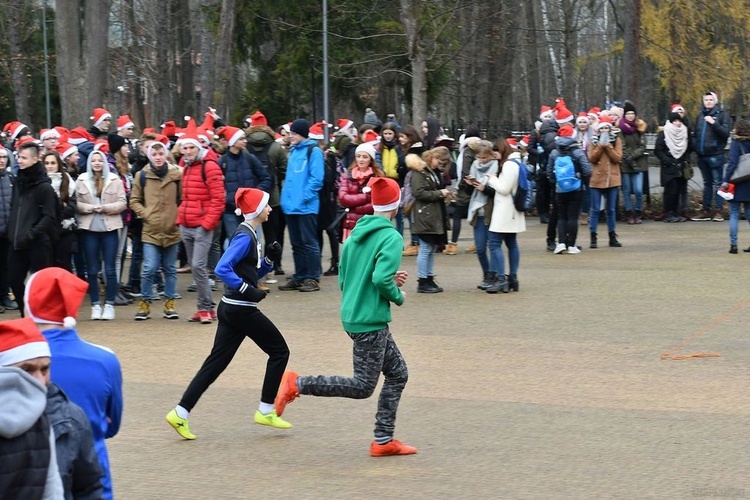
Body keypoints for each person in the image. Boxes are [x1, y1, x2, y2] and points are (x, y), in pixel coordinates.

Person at [274, 177, 416, 457]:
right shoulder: (392, 237)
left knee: (398, 374)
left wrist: (387, 280)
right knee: (363, 386)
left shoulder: (354, 235)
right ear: (396, 205)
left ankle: (383, 440)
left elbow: (345, 279)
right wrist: (396, 295)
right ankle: (298, 383)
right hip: (370, 320)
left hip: (354, 313)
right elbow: (378, 278)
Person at [166, 188, 291, 439]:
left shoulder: (250, 234)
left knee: (215, 364)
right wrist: (247, 289)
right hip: (241, 310)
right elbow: (223, 268)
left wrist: (268, 262)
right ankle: (266, 409)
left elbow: (247, 273)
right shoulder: (245, 236)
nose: (269, 209)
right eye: (266, 205)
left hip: (230, 308)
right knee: (280, 351)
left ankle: (180, 413)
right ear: (256, 210)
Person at [25, 266, 123, 500]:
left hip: (29, 478)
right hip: (93, 479)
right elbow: (111, 425)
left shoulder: (14, 358)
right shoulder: (105, 360)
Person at [0, 318, 64, 500]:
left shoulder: (42, 420)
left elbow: (52, 490)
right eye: (26, 370)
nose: (40, 381)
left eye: (45, 369)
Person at [176, 125, 225, 324]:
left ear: (199, 148)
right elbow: (186, 197)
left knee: (198, 265)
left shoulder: (210, 166)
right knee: (196, 268)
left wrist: (207, 224)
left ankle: (206, 308)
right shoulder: (187, 167)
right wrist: (181, 218)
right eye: (184, 148)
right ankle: (205, 308)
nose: (187, 151)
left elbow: (218, 199)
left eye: (191, 148)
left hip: (202, 225)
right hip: (187, 224)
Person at [130, 141, 183, 320]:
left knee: (170, 269)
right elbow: (134, 200)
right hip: (150, 230)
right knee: (149, 268)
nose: (158, 157)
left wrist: (178, 216)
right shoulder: (141, 175)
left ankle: (169, 303)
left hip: (172, 229)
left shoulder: (177, 174)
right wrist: (146, 214)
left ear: (165, 155)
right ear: (149, 156)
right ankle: (145, 302)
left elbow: (183, 198)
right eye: (155, 154)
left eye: (161, 154)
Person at [8, 141, 58, 316]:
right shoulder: (17, 183)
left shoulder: (44, 187)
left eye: (23, 158)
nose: (19, 161)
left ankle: (43, 316)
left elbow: (49, 216)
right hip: (16, 242)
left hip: (37, 243)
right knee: (14, 279)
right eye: (18, 157)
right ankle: (25, 313)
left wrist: (32, 234)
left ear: (36, 159)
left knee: (41, 284)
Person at [75, 150, 127, 320]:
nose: (97, 163)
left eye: (100, 160)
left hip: (109, 229)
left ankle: (110, 304)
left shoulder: (115, 180)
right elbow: (76, 203)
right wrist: (89, 208)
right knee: (91, 269)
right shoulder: (82, 180)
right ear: (89, 163)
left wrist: (105, 208)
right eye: (93, 160)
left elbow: (122, 203)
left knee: (110, 269)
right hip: (89, 229)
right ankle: (95, 304)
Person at [278, 119, 325, 292]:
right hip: (290, 206)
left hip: (306, 207)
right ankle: (300, 275)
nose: (291, 136)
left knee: (309, 242)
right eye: (290, 133)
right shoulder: (293, 151)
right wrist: (287, 200)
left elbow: (317, 179)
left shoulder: (313, 151)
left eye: (294, 134)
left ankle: (312, 277)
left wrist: (304, 198)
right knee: (296, 244)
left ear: (303, 134)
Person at [480, 139, 527, 292]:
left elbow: (504, 189)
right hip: (512, 211)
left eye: (496, 153)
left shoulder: (508, 165)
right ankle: (512, 278)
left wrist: (492, 179)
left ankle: (501, 279)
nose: (495, 157)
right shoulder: (517, 163)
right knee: (511, 243)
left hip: (505, 210)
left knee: (494, 243)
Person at [246, 111, 289, 277]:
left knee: (251, 232)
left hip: (250, 198)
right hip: (272, 198)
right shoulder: (276, 147)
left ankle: (252, 265)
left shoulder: (245, 146)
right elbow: (284, 170)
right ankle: (275, 264)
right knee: (273, 234)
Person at [409, 149, 451, 293]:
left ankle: (428, 277)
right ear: (431, 158)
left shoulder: (431, 172)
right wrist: (440, 193)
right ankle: (422, 280)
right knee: (426, 248)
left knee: (431, 248)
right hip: (425, 215)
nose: (440, 164)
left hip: (432, 214)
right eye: (438, 161)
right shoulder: (419, 172)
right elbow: (418, 192)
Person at [547, 125, 592, 254]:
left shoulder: (555, 152)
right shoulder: (577, 151)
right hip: (576, 188)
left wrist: (555, 182)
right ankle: (571, 245)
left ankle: (561, 243)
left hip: (560, 189)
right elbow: (586, 169)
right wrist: (583, 181)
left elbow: (549, 171)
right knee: (573, 216)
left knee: (561, 216)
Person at [465, 140, 499, 289]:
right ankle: (486, 273)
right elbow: (467, 193)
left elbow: (498, 191)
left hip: (490, 211)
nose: (481, 161)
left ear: (491, 156)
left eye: (484, 158)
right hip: (476, 211)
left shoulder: (497, 167)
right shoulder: (474, 166)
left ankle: (492, 275)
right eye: (479, 158)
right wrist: (469, 184)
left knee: (492, 245)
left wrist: (484, 188)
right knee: (479, 247)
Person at [692, 92, 731, 221]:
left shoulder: (722, 115)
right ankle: (706, 210)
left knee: (718, 183)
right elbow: (694, 134)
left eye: (710, 99)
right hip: (702, 155)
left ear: (715, 101)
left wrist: (714, 123)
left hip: (715, 155)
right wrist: (696, 147)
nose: (708, 102)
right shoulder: (700, 115)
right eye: (706, 100)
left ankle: (718, 211)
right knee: (707, 183)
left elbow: (725, 134)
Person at [587, 115, 623, 248]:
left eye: (607, 128)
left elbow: (617, 158)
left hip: (612, 179)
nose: (605, 130)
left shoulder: (616, 140)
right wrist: (601, 146)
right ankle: (593, 236)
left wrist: (608, 146)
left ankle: (612, 236)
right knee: (595, 209)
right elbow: (592, 158)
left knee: (611, 209)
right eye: (602, 128)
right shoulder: (593, 141)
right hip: (597, 180)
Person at [338, 142, 384, 245]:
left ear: (371, 159)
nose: (361, 159)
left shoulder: (377, 177)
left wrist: (354, 207)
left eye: (365, 157)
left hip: (369, 224)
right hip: (351, 225)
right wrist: (365, 197)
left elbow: (376, 204)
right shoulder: (348, 175)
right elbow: (343, 198)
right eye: (358, 156)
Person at [43, 151, 78, 273]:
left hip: (65, 231)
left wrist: (57, 209)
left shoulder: (68, 181)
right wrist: (60, 206)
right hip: (45, 232)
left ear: (58, 164)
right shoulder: (40, 182)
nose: (50, 166)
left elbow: (72, 208)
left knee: (64, 267)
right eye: (46, 163)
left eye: (53, 163)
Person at [654, 112, 692, 224]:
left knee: (678, 190)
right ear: (670, 122)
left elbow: (688, 147)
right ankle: (668, 212)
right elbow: (658, 150)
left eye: (679, 121)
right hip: (669, 166)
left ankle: (675, 212)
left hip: (680, 165)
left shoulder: (684, 132)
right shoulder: (664, 133)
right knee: (670, 190)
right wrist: (667, 160)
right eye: (675, 121)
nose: (677, 123)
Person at [720, 116, 750, 253]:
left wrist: (726, 180)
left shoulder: (736, 144)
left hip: (737, 183)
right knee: (749, 213)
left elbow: (732, 164)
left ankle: (733, 245)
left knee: (733, 213)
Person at [616, 101, 648, 224]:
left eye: (632, 113)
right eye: (628, 113)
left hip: (638, 163)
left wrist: (633, 156)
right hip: (625, 164)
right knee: (626, 190)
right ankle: (629, 212)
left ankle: (638, 211)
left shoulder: (640, 128)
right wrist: (627, 157)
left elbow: (642, 146)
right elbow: (621, 145)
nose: (630, 116)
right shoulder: (621, 129)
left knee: (639, 190)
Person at [398, 125, 425, 256]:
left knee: (411, 214)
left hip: (412, 185)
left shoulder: (415, 150)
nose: (400, 139)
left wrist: (400, 168)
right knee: (410, 214)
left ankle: (416, 242)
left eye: (403, 137)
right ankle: (415, 241)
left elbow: (408, 167)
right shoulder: (411, 149)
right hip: (409, 184)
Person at [0, 146, 19, 312]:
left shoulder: (12, 179)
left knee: (7, 265)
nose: (1, 160)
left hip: (8, 231)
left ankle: (5, 296)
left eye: (3, 157)